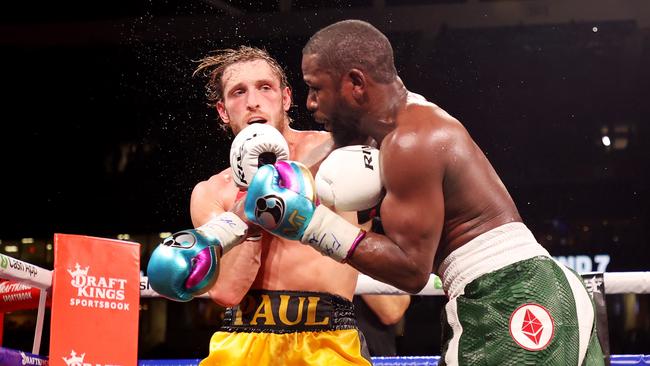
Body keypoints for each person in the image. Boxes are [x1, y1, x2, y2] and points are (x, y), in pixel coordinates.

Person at [242, 20, 605, 365]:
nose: (309, 102)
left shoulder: (410, 141)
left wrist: (310, 224)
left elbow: (412, 272)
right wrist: (256, 201)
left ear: (355, 83)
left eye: (316, 87)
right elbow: (321, 159)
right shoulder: (391, 120)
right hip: (529, 292)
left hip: (508, 299)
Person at [187, 46, 377, 365]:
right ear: (223, 111)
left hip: (326, 339)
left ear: (286, 98)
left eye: (265, 87)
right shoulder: (211, 192)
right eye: (238, 92)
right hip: (242, 342)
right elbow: (227, 293)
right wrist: (252, 200)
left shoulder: (336, 155)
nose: (252, 101)